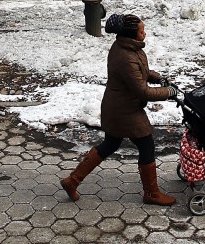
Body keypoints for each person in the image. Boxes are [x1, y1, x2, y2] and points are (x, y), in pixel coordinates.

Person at [60, 13, 179, 206]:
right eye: (142, 31)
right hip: (125, 110)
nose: (145, 33)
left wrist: (156, 77)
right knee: (146, 143)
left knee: (111, 144)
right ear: (132, 34)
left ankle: (72, 181)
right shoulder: (126, 56)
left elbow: (140, 71)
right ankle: (152, 194)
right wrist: (168, 92)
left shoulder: (127, 47)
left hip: (118, 106)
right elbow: (142, 91)